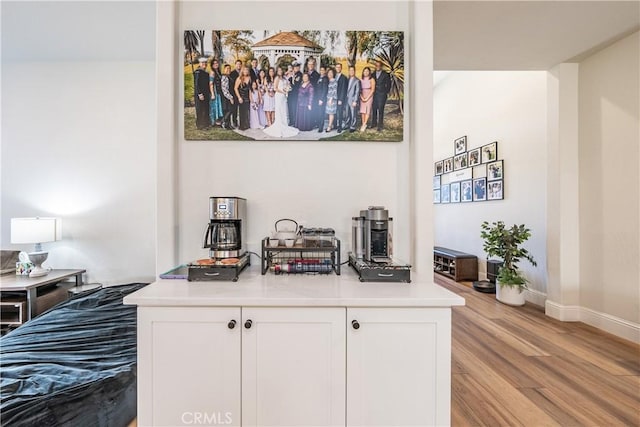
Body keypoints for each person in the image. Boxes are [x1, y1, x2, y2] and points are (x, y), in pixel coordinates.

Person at [264, 67, 299, 138]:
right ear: (277, 71)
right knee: (279, 110)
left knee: (283, 110)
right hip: (279, 96)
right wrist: (283, 91)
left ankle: (284, 124)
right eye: (279, 70)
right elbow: (275, 88)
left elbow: (287, 84)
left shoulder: (284, 78)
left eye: (281, 70)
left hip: (283, 97)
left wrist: (287, 88)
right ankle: (279, 125)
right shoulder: (276, 78)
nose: (280, 71)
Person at [370, 60, 391, 131]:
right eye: (376, 65)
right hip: (374, 94)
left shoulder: (386, 74)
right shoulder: (372, 74)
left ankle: (380, 125)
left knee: (381, 110)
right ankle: (374, 123)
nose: (377, 67)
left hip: (382, 95)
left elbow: (389, 85)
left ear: (381, 66)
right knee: (374, 109)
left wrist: (385, 92)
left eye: (379, 65)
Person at [193, 57, 211, 130]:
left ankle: (206, 124)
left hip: (206, 94)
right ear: (200, 64)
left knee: (206, 109)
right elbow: (196, 84)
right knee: (200, 110)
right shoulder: (198, 72)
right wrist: (199, 94)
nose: (204, 64)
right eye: (203, 63)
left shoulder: (206, 73)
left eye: (205, 63)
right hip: (200, 95)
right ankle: (200, 125)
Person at [234, 66, 251, 130]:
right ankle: (242, 126)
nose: (246, 71)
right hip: (241, 97)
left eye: (247, 70)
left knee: (247, 111)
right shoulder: (239, 78)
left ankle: (247, 124)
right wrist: (239, 97)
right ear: (242, 71)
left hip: (248, 97)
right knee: (242, 112)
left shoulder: (250, 78)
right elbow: (235, 88)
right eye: (244, 70)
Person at [345, 66, 361, 132]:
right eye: (350, 70)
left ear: (354, 71)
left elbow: (357, 91)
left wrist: (355, 101)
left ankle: (353, 126)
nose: (351, 72)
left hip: (353, 100)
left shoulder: (357, 80)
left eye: (352, 70)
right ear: (349, 71)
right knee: (347, 113)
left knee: (353, 113)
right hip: (347, 99)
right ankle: (347, 124)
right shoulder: (347, 79)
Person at [359, 67, 376, 132]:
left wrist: (367, 98)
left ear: (369, 72)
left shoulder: (372, 79)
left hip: (369, 96)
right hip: (362, 95)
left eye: (367, 71)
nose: (365, 72)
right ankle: (363, 124)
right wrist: (362, 97)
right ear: (363, 72)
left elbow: (373, 90)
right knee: (362, 110)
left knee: (367, 110)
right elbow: (359, 89)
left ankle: (364, 123)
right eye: (364, 71)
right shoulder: (361, 80)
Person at [209, 58, 223, 127]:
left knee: (218, 106)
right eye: (214, 63)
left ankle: (217, 121)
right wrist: (212, 94)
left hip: (219, 90)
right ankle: (214, 121)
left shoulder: (218, 71)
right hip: (214, 90)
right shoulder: (212, 72)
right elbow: (211, 83)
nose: (216, 64)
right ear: (212, 65)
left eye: (217, 63)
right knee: (215, 106)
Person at [220, 64, 235, 129]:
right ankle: (223, 121)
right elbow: (224, 89)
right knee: (229, 110)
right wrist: (230, 97)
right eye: (227, 68)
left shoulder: (229, 76)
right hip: (226, 96)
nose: (228, 70)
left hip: (229, 96)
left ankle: (228, 125)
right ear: (224, 69)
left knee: (230, 110)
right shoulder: (224, 77)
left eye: (229, 68)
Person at [228, 60, 243, 128]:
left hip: (242, 93)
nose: (239, 66)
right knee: (235, 109)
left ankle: (242, 121)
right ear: (235, 65)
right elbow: (231, 85)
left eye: (240, 64)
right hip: (234, 93)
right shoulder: (232, 73)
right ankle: (234, 121)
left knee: (242, 108)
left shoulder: (242, 73)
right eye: (237, 64)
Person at [287, 62, 302, 126]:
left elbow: (295, 84)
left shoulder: (299, 75)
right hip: (290, 94)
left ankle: (295, 122)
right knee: (290, 107)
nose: (296, 68)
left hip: (295, 94)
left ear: (299, 68)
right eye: (295, 67)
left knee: (294, 108)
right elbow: (288, 81)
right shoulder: (292, 74)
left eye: (297, 67)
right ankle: (291, 121)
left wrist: (292, 77)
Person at [334, 63, 348, 132]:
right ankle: (334, 125)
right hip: (333, 98)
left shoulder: (344, 77)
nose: (338, 68)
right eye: (337, 67)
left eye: (339, 67)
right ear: (335, 68)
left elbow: (343, 89)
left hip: (339, 98)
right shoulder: (334, 76)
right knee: (334, 112)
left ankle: (339, 127)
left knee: (340, 112)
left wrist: (341, 99)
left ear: (341, 68)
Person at [315, 66, 329, 132]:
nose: (322, 71)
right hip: (317, 97)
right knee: (318, 112)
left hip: (321, 98)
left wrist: (321, 99)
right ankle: (318, 124)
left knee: (321, 113)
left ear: (325, 71)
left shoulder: (325, 79)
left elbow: (325, 90)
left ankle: (321, 127)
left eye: (323, 70)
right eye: (321, 70)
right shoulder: (319, 77)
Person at [324, 68, 338, 132]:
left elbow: (334, 90)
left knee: (331, 113)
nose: (330, 74)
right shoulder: (329, 80)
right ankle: (331, 125)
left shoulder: (334, 81)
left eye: (331, 73)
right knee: (329, 113)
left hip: (332, 99)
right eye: (329, 73)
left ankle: (329, 127)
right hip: (328, 98)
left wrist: (331, 99)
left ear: (333, 74)